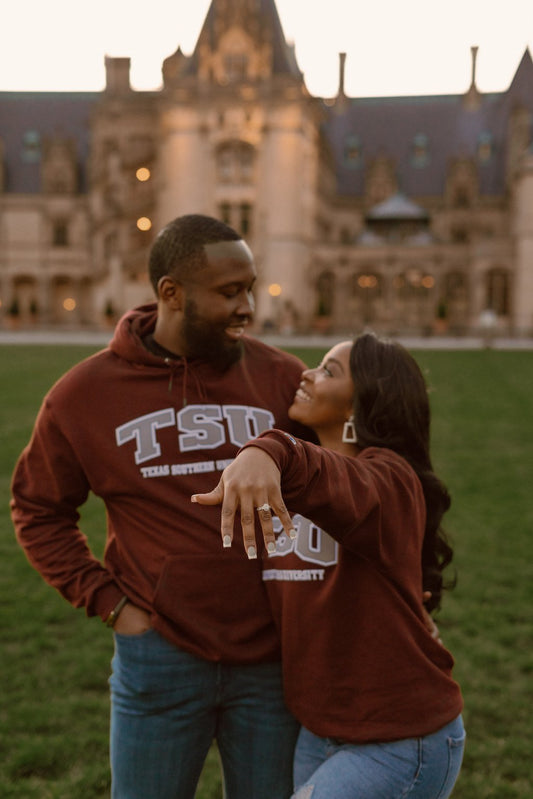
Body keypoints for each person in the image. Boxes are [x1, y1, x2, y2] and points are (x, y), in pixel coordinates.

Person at [10, 214, 311, 799]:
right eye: (229, 292)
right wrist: (112, 605)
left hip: (272, 659)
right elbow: (38, 509)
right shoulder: (85, 394)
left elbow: (349, 488)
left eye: (249, 288)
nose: (248, 307)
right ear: (171, 293)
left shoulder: (281, 378)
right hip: (160, 655)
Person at [193, 333, 466, 799]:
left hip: (399, 737)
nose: (306, 375)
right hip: (319, 730)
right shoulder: (291, 485)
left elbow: (343, 483)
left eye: (328, 371)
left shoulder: (391, 478)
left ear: (360, 405)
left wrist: (270, 449)